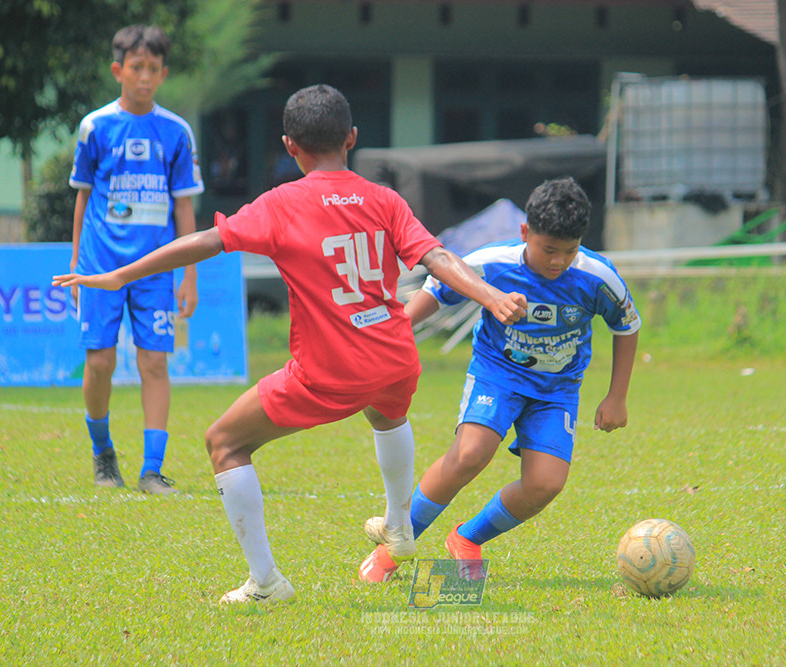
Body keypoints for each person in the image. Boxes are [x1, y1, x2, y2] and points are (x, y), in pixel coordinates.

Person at [54, 84, 528, 604]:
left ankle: (265, 582)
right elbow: (436, 258)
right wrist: (489, 295)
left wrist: (120, 274)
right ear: (351, 138)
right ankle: (399, 525)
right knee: (386, 413)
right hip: (395, 356)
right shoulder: (384, 198)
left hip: (329, 368)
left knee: (224, 443)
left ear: (289, 146)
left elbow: (206, 242)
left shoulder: (281, 204)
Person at [358, 177, 641, 583]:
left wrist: (617, 396)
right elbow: (438, 291)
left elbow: (627, 325)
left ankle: (467, 538)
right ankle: (396, 545)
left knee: (545, 484)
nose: (558, 261)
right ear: (525, 232)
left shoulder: (598, 277)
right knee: (471, 453)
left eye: (569, 250)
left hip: (556, 390)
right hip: (498, 373)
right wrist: (392, 337)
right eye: (548, 249)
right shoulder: (492, 263)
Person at [67, 24, 204, 495]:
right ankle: (103, 453)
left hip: (157, 271)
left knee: (154, 365)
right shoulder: (95, 127)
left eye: (153, 69)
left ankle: (151, 469)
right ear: (117, 70)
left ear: (163, 73)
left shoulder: (176, 132)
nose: (144, 77)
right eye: (136, 67)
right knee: (101, 362)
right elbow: (82, 200)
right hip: (100, 267)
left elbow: (184, 205)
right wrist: (77, 267)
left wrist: (189, 274)